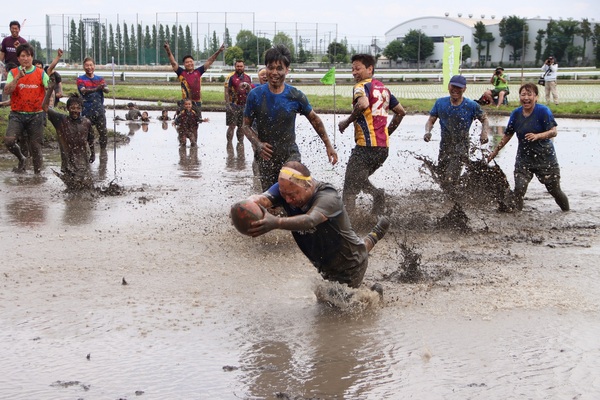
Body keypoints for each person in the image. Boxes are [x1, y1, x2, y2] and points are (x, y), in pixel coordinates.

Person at [247, 161, 389, 290]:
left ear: (307, 186)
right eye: (283, 195)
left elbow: (310, 220)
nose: (288, 200)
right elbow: (261, 199)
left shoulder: (328, 196)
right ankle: (377, 232)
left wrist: (276, 222)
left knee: (340, 306)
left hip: (350, 266)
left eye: (292, 195)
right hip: (326, 266)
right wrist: (246, 205)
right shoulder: (286, 190)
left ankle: (376, 293)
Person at [241, 44, 338, 192]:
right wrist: (258, 144)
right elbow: (245, 126)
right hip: (266, 157)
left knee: (293, 189)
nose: (274, 72)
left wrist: (328, 145)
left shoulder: (295, 95)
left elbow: (315, 120)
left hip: (289, 153)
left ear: (287, 70)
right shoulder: (255, 95)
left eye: (279, 68)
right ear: (266, 68)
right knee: (273, 198)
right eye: (270, 67)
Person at [338, 53, 406, 214]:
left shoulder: (361, 87)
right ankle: (377, 195)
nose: (354, 73)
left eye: (358, 69)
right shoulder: (384, 89)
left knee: (349, 189)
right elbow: (401, 112)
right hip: (383, 149)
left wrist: (346, 122)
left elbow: (362, 104)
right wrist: (387, 133)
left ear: (370, 69)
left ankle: (347, 226)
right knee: (359, 179)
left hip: (365, 147)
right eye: (352, 69)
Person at [487, 83, 569, 212]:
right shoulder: (515, 114)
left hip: (545, 158)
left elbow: (553, 132)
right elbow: (507, 135)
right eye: (523, 94)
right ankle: (517, 217)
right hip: (524, 158)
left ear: (536, 97)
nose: (526, 98)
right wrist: (495, 152)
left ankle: (567, 212)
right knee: (519, 189)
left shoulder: (543, 111)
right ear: (519, 97)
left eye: (529, 94)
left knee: (555, 190)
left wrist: (539, 136)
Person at [424, 75, 490, 195]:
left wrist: (484, 133)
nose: (455, 90)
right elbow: (430, 120)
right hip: (445, 145)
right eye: (453, 87)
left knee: (451, 176)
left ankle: (454, 203)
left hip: (462, 145)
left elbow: (484, 119)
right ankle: (456, 195)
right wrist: (428, 132)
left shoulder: (471, 105)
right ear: (449, 86)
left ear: (464, 89)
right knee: (442, 176)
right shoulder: (440, 103)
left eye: (459, 88)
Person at [3, 44, 48, 174]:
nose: (26, 58)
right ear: (18, 58)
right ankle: (22, 158)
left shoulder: (40, 73)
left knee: (35, 146)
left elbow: (49, 86)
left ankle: (38, 175)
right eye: (23, 56)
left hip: (36, 115)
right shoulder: (13, 73)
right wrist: (18, 77)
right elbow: (7, 90)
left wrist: (48, 104)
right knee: (9, 140)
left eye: (28, 55)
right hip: (17, 114)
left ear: (32, 57)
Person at [42, 80, 95, 189]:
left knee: (85, 188)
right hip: (67, 163)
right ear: (67, 109)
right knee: (72, 189)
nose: (75, 111)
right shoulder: (60, 120)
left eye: (78, 108)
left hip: (82, 162)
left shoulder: (86, 122)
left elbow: (91, 140)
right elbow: (45, 107)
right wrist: (50, 89)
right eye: (72, 108)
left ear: (81, 109)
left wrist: (93, 153)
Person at [164, 41, 224, 115]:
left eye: (191, 61)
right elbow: (173, 62)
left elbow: (210, 61)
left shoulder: (198, 71)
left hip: (197, 102)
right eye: (187, 62)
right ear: (184, 64)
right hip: (185, 102)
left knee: (196, 122)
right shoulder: (181, 72)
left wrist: (219, 51)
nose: (189, 63)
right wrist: (168, 50)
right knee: (182, 122)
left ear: (193, 62)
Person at [77, 57, 109, 149]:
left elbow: (107, 90)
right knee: (88, 134)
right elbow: (83, 91)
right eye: (87, 65)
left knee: (103, 132)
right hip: (87, 110)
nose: (89, 67)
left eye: (91, 65)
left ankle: (103, 152)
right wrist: (96, 89)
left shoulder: (100, 79)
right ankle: (90, 152)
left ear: (94, 66)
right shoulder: (80, 79)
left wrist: (104, 88)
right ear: (83, 67)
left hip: (99, 109)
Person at [225, 59, 253, 144]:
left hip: (244, 105)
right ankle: (229, 144)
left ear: (244, 67)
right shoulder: (230, 77)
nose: (239, 68)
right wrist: (227, 105)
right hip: (233, 104)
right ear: (235, 67)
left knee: (241, 126)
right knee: (232, 126)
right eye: (238, 66)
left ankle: (240, 143)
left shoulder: (247, 77)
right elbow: (226, 91)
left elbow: (250, 91)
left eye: (241, 66)